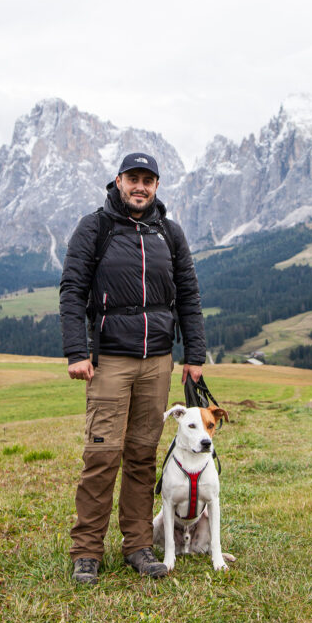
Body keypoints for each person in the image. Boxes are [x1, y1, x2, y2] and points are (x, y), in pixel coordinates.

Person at [59, 151, 206, 585]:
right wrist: (75, 352)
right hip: (110, 361)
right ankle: (86, 551)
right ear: (119, 181)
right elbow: (72, 290)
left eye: (149, 180)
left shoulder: (169, 233)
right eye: (133, 179)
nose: (140, 187)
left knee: (143, 457)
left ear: (157, 186)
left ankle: (138, 546)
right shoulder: (96, 227)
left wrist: (194, 356)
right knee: (102, 456)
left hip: (158, 361)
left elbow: (189, 297)